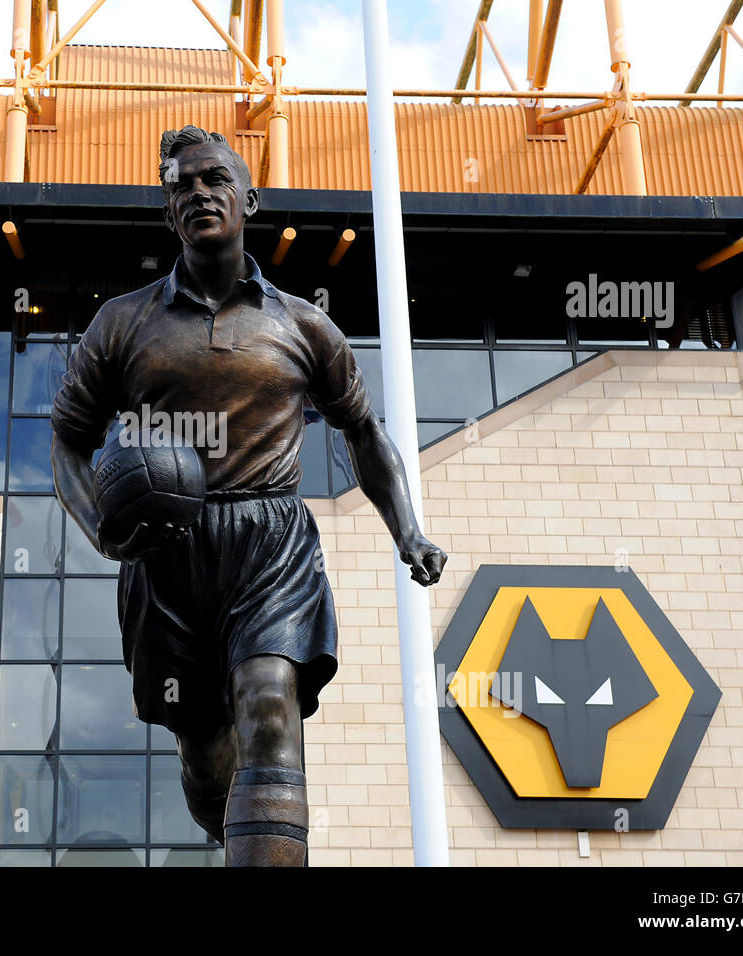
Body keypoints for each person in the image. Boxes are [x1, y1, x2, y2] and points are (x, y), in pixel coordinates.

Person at [50, 125, 446, 866]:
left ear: (249, 198)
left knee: (270, 702)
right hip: (168, 557)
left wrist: (408, 531)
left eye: (213, 179)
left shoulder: (303, 324)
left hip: (270, 544)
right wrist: (102, 528)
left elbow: (364, 435)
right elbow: (68, 443)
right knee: (205, 754)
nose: (198, 192)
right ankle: (234, 830)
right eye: (181, 186)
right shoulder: (123, 322)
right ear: (169, 212)